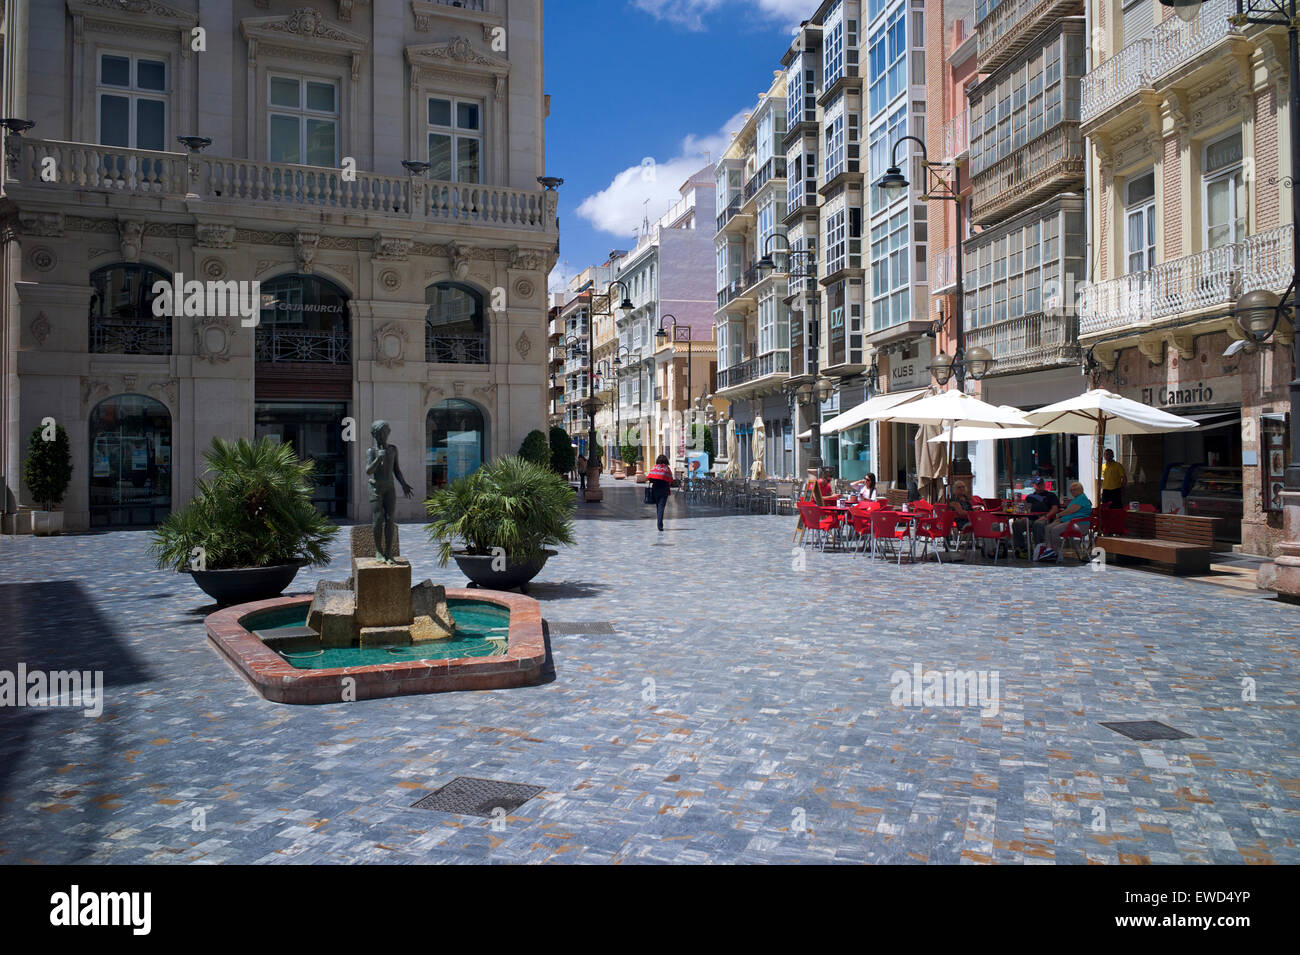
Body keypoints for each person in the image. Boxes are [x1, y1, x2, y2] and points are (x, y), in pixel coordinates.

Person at [1038, 481, 1092, 560]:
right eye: (1071, 490)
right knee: (1048, 527)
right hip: (1070, 522)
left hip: (1079, 524)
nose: (1072, 492)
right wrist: (1060, 519)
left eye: (1074, 490)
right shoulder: (1075, 499)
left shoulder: (1082, 498)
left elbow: (1071, 510)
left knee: (1055, 529)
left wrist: (1058, 515)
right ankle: (1049, 549)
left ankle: (1056, 552)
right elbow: (1069, 513)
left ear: (1080, 489)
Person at [1024, 476, 1062, 551]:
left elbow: (1055, 509)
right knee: (1017, 524)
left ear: (1044, 484)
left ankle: (1039, 549)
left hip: (1046, 519)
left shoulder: (1051, 495)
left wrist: (1046, 517)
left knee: (1038, 524)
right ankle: (1022, 548)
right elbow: (1026, 509)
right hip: (1031, 518)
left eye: (1041, 484)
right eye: (1038, 484)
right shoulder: (1029, 497)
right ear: (1033, 485)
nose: (1040, 486)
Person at [647, 454, 673, 532]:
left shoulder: (654, 468)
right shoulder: (667, 469)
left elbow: (649, 478)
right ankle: (660, 525)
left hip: (655, 489)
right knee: (661, 507)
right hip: (663, 490)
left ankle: (659, 523)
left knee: (658, 507)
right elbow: (670, 479)